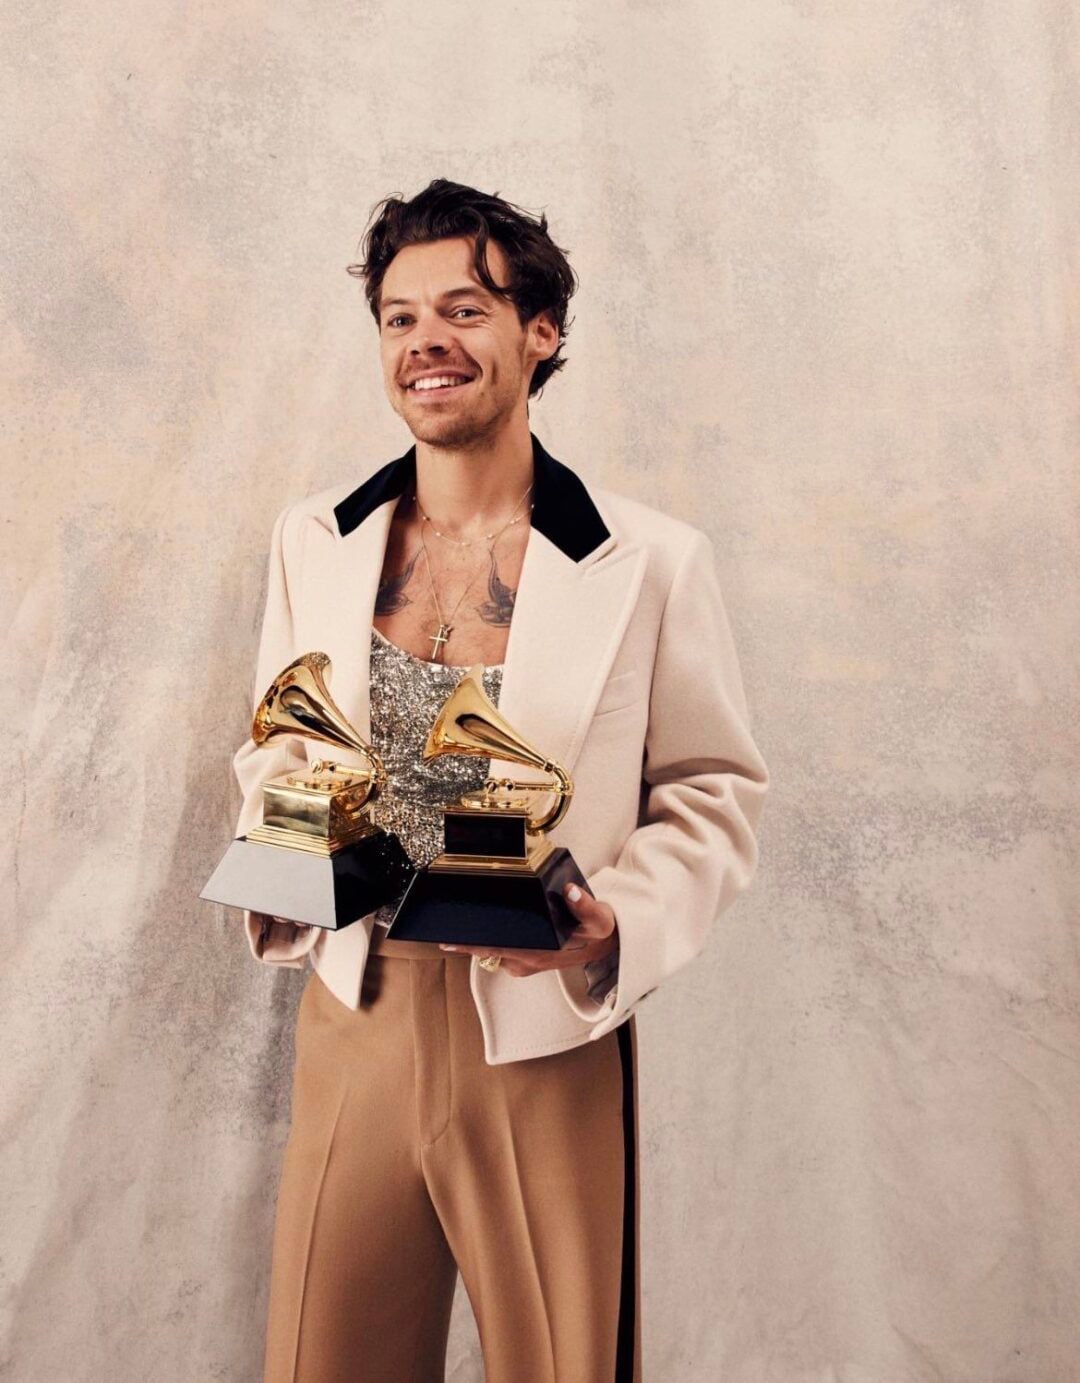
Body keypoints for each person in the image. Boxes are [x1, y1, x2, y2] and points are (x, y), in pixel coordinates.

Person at [230, 178, 770, 1383]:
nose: (427, 341)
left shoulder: (652, 563)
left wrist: (611, 922)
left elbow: (714, 788)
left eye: (465, 309)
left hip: (540, 1035)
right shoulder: (312, 538)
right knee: (326, 1363)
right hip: (352, 1017)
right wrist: (280, 853)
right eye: (399, 316)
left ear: (541, 332)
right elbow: (276, 735)